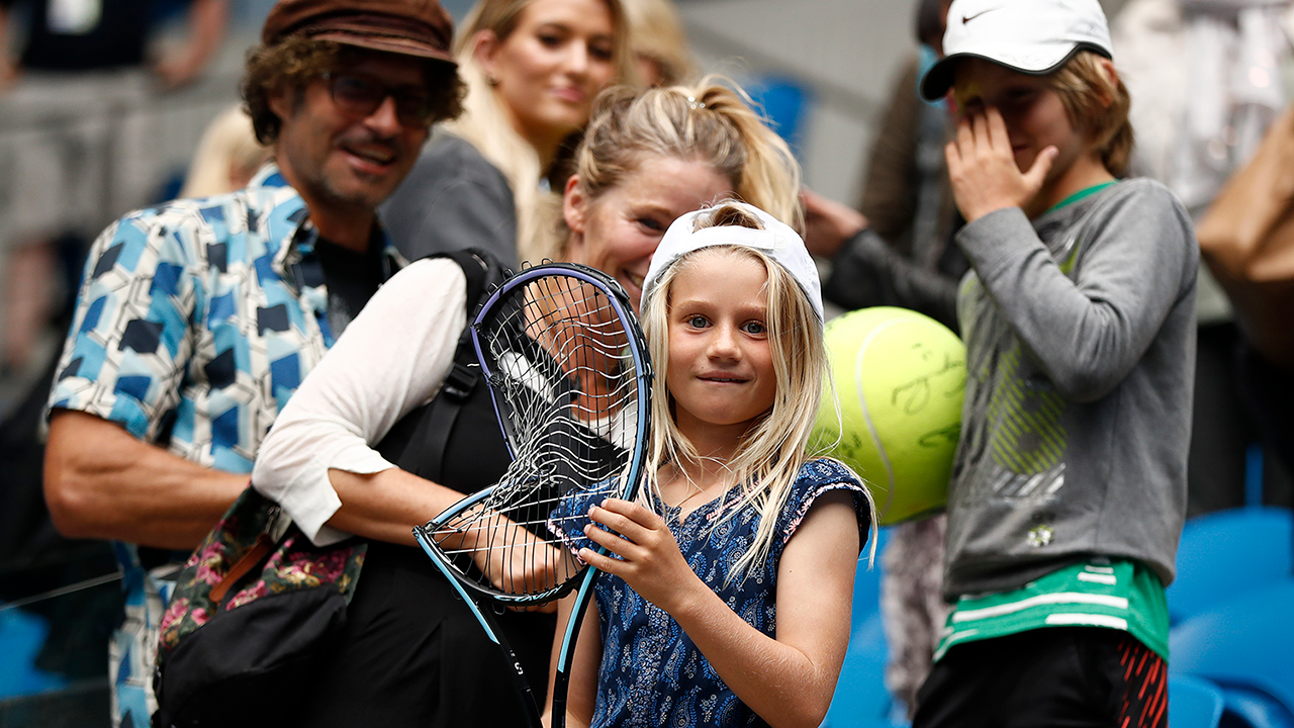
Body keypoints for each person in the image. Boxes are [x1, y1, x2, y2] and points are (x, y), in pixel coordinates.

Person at [249, 77, 801, 726]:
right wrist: (479, 528)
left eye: (688, 239)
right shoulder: (460, 295)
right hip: (362, 695)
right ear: (578, 202)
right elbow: (292, 453)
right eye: (647, 223)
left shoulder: (674, 412)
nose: (662, 258)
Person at [41, 0, 464, 723]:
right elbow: (82, 480)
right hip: (199, 695)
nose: (387, 122)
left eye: (415, 102)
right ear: (280, 89)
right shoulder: (175, 245)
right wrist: (342, 501)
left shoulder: (423, 298)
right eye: (355, 88)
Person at [910, 0, 1197, 725]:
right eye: (974, 106)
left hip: (1089, 607)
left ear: (1097, 90)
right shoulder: (990, 268)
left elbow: (1089, 354)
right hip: (972, 619)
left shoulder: (1141, 212)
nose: (995, 127)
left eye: (1020, 96)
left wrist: (994, 221)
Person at [545, 200, 874, 728]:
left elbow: (804, 703)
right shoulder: (603, 505)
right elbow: (567, 710)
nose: (724, 347)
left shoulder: (813, 499)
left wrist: (681, 591)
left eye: (756, 326)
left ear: (798, 350)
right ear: (657, 332)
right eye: (697, 321)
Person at [0, 0, 229, 375]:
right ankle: (16, 357)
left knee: (122, 228)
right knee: (32, 228)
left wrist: (196, 54)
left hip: (121, 86)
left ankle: (112, 343)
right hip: (41, 84)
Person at [381, 0, 631, 268]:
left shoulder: (547, 179)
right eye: (551, 40)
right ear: (489, 53)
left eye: (600, 51)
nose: (579, 66)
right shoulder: (460, 175)